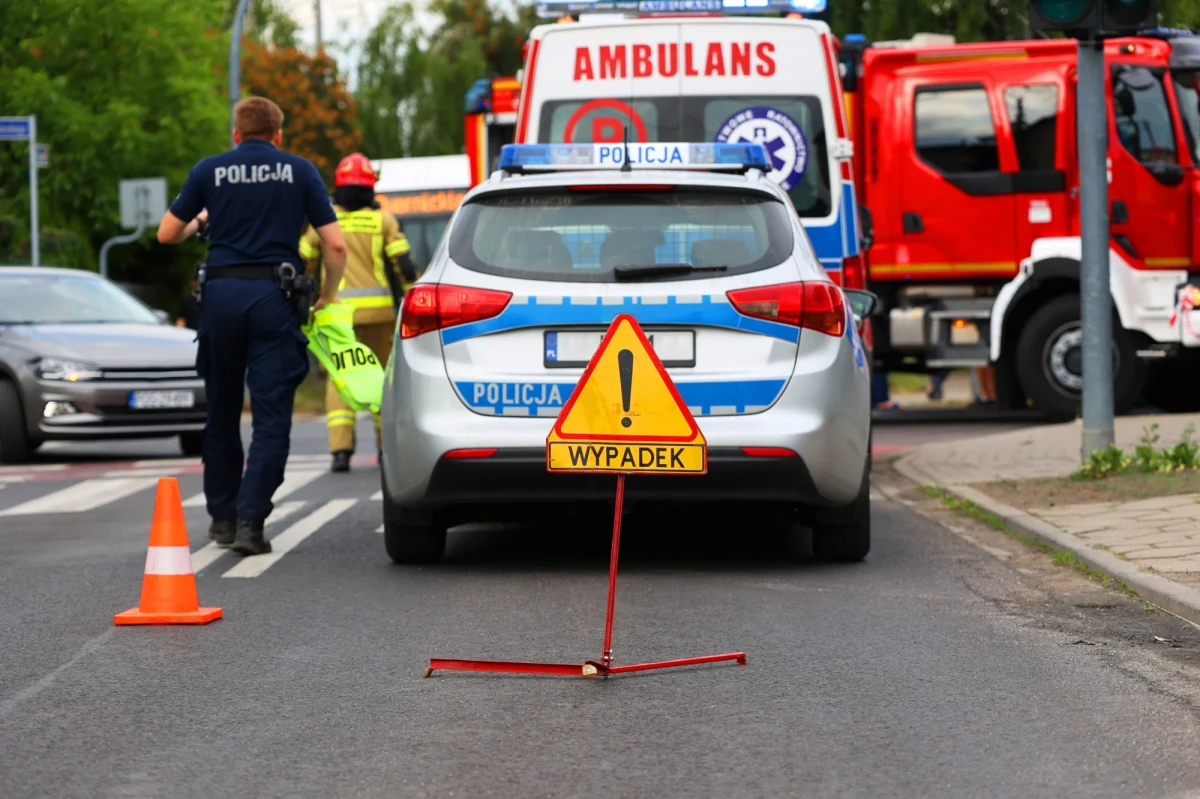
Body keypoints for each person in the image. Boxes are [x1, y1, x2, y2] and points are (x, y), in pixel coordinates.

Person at [156, 96, 347, 556]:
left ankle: (221, 518)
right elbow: (335, 247)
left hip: (220, 299)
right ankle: (250, 522)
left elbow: (166, 234)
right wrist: (328, 294)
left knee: (221, 411)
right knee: (270, 417)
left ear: (236, 135)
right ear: (279, 134)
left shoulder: (209, 171)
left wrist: (204, 219)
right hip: (273, 300)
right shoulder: (300, 171)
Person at [300, 153, 417, 473]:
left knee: (340, 379)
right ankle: (384, 449)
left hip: (337, 316)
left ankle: (340, 451)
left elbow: (302, 260)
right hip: (379, 315)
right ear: (370, 187)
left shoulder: (323, 220)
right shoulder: (384, 221)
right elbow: (404, 266)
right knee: (381, 378)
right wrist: (414, 302)